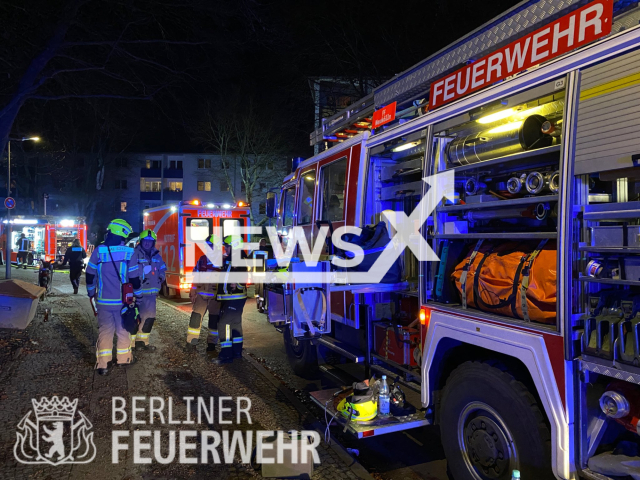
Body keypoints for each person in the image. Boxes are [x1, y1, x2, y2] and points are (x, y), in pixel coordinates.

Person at [85, 219, 142, 376]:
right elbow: (134, 278)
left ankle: (103, 365)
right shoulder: (129, 252)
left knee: (105, 331)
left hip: (103, 302)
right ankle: (124, 359)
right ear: (123, 233)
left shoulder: (99, 251)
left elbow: (90, 275)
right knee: (123, 330)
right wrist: (138, 295)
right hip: (123, 302)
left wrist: (91, 293)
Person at [214, 235, 248, 365]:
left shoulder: (238, 258)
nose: (225, 248)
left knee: (223, 324)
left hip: (234, 297)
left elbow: (244, 276)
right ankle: (236, 352)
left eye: (227, 246)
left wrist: (237, 284)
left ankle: (226, 355)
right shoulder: (232, 258)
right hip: (231, 297)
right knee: (235, 324)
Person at [186, 234, 222, 353]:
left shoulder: (222, 261)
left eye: (210, 246)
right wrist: (192, 291)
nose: (208, 248)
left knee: (213, 321)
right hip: (201, 296)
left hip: (215, 298)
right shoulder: (202, 259)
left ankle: (211, 344)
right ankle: (191, 342)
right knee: (195, 319)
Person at [131, 229, 166, 351]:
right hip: (136, 293)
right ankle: (130, 344)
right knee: (133, 318)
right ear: (141, 241)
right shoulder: (134, 254)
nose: (147, 243)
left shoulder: (156, 255)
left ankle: (143, 342)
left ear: (153, 243)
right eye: (145, 241)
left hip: (151, 294)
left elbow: (162, 268)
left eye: (150, 241)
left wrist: (160, 277)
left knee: (149, 318)